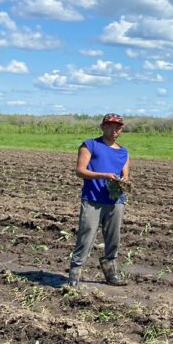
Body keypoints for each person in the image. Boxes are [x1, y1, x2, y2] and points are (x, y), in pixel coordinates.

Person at [67, 113, 130, 287]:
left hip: (115, 201)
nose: (114, 129)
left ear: (121, 129)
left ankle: (111, 274)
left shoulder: (123, 152)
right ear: (102, 127)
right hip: (93, 199)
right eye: (110, 125)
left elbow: (125, 175)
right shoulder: (90, 145)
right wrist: (103, 175)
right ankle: (74, 274)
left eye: (117, 126)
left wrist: (123, 182)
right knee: (86, 235)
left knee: (113, 238)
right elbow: (80, 171)